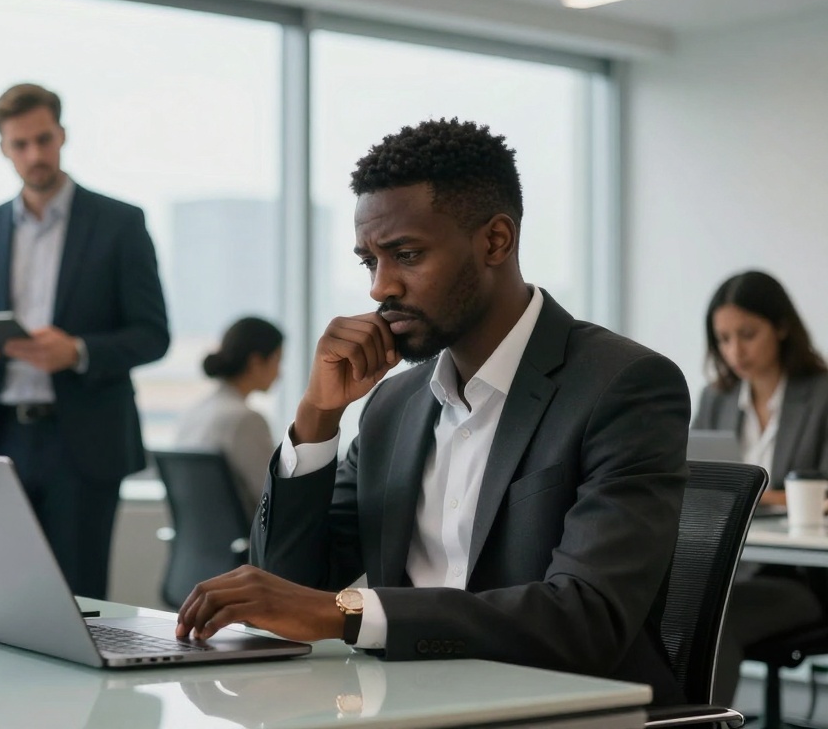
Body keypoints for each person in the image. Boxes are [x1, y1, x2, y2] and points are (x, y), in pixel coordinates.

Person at [174, 118, 690, 705]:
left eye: (407, 255)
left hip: (567, 709)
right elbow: (291, 588)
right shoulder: (394, 405)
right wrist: (318, 416)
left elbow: (586, 618)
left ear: (496, 241)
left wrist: (346, 613)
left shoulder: (622, 386)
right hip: (410, 702)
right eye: (370, 261)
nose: (379, 287)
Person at [0, 83, 170, 599]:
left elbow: (153, 335)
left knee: (78, 602)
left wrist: (79, 351)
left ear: (62, 135)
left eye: (44, 139)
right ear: (3, 148)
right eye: (20, 145)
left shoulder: (120, 223)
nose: (35, 155)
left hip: (83, 444)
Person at [693, 270, 828, 704]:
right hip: (727, 569)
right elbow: (696, 483)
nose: (735, 351)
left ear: (782, 327)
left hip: (802, 578)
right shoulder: (716, 398)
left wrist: (750, 497)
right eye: (724, 339)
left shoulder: (822, 395)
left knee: (712, 618)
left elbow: (822, 495)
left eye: (747, 334)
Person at [174, 316, 284, 519]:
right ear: (256, 362)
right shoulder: (246, 420)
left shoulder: (194, 412)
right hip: (245, 546)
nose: (281, 373)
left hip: (198, 546)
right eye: (278, 360)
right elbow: (274, 498)